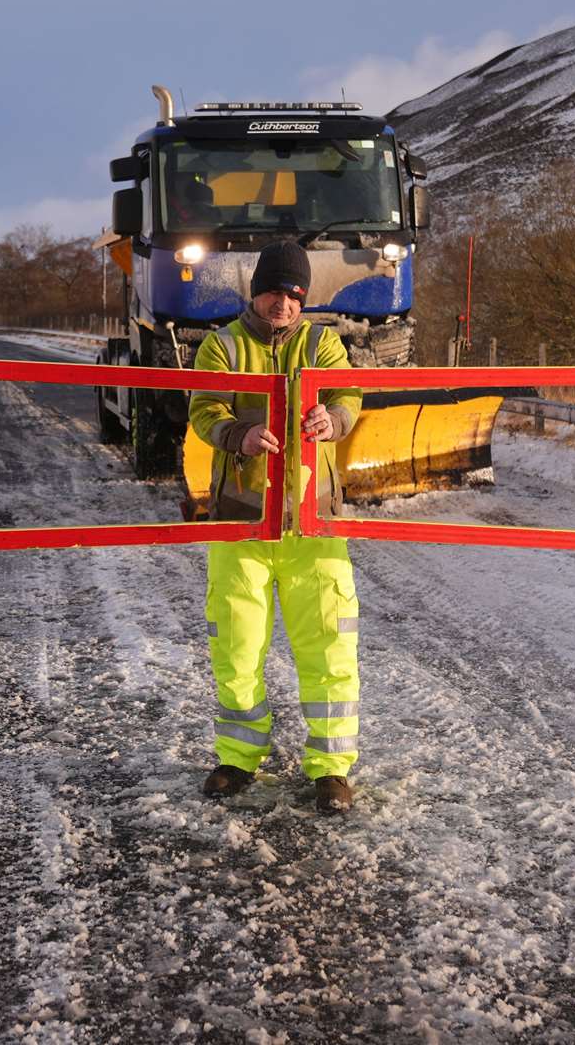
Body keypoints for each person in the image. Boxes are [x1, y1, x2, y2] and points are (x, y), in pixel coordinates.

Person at [187, 241, 364, 813]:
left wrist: (332, 418)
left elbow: (347, 396)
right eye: (273, 291)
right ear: (255, 291)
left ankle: (331, 769)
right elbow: (204, 408)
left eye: (293, 293)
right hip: (241, 519)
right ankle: (238, 759)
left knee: (329, 643)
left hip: (313, 520)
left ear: (302, 298)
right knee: (236, 648)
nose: (283, 302)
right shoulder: (222, 344)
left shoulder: (323, 342)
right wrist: (237, 433)